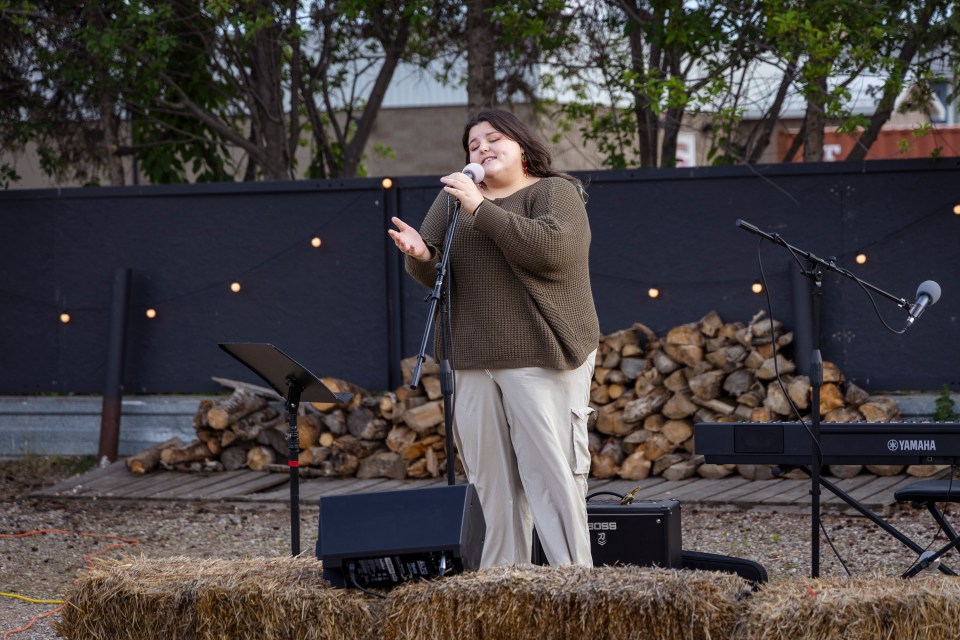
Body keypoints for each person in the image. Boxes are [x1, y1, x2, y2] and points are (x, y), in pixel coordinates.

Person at [388, 109, 600, 568]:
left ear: (522, 146)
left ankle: (574, 582)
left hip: (540, 353)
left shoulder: (553, 191)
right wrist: (419, 254)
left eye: (494, 138)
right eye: (473, 144)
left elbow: (552, 252)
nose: (482, 148)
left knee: (551, 476)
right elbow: (435, 269)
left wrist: (481, 210)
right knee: (491, 483)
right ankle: (502, 584)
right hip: (471, 356)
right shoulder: (453, 199)